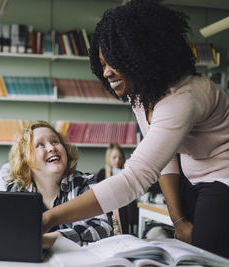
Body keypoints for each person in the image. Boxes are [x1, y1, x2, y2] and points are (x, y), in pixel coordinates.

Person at [42, 0, 229, 258]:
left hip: (223, 177)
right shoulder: (140, 94)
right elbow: (165, 161)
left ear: (141, 55)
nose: (106, 72)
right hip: (192, 175)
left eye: (114, 62)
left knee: (210, 257)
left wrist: (49, 218)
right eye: (102, 64)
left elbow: (135, 178)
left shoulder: (183, 98)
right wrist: (178, 221)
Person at [6, 121, 113, 249]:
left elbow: (103, 227)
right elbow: (8, 232)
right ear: (25, 160)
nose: (51, 148)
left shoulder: (85, 182)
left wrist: (50, 240)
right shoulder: (17, 190)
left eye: (55, 142)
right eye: (40, 145)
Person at [96, 144, 138, 235]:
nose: (117, 161)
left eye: (120, 158)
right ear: (108, 158)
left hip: (123, 208)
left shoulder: (126, 174)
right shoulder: (102, 174)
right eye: (114, 157)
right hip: (108, 209)